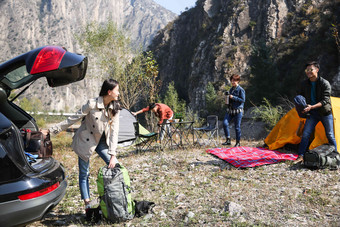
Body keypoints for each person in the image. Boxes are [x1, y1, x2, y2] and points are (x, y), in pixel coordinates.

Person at [42, 79, 121, 212]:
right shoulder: (92, 104)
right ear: (109, 91)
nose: (119, 93)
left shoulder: (115, 108)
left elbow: (114, 132)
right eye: (117, 90)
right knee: (84, 174)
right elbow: (72, 118)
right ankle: (87, 205)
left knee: (116, 167)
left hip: (102, 142)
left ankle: (113, 199)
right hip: (86, 140)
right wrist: (51, 130)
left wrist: (113, 154)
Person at [294, 61, 337, 163]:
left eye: (311, 69)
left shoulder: (324, 83)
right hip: (312, 114)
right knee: (305, 135)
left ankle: (336, 156)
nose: (308, 72)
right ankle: (301, 156)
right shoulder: (304, 84)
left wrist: (312, 107)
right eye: (307, 70)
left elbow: (325, 100)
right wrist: (301, 106)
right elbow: (301, 96)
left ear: (317, 70)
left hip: (324, 113)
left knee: (330, 135)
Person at [222, 74, 246, 147]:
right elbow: (229, 100)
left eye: (234, 81)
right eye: (232, 81)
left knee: (237, 127)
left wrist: (233, 97)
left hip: (238, 111)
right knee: (225, 123)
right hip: (230, 110)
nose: (233, 82)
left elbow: (243, 100)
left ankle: (238, 143)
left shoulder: (241, 90)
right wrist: (227, 98)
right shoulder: (231, 89)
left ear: (238, 81)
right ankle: (228, 140)